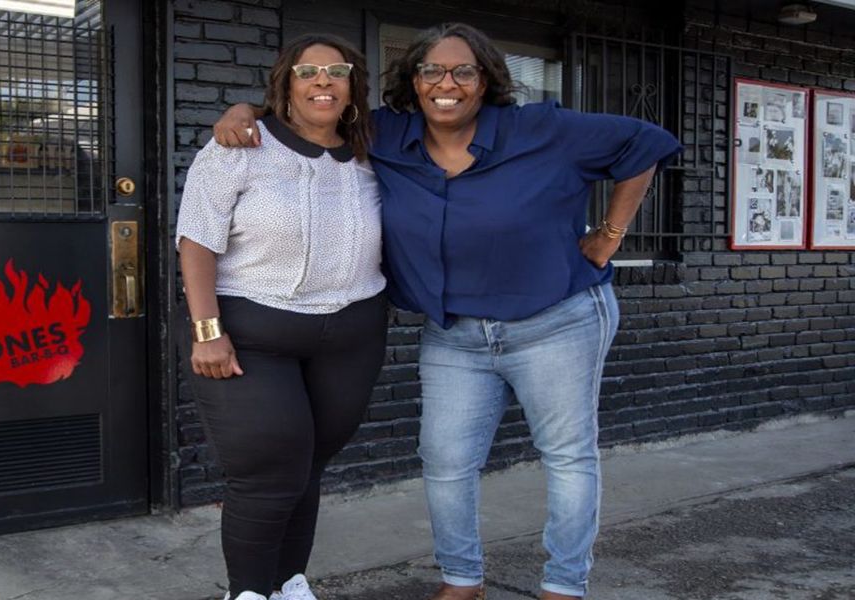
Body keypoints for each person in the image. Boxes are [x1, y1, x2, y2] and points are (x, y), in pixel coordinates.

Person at [212, 22, 681, 600]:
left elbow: (647, 144)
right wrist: (243, 111)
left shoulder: (543, 129)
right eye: (431, 70)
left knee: (567, 457)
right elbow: (310, 108)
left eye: (464, 70)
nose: (447, 83)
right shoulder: (384, 135)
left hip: (556, 319)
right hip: (454, 331)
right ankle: (462, 580)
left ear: (486, 81)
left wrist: (610, 233)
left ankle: (564, 584)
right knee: (445, 460)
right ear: (412, 82)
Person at [176, 34, 388, 600]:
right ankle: (247, 593)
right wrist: (206, 332)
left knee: (308, 465)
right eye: (307, 71)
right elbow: (196, 241)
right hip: (250, 333)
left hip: (351, 335)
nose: (322, 81)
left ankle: (288, 583)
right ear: (285, 83)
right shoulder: (240, 144)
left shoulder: (375, 149)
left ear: (352, 87)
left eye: (336, 71)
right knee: (269, 471)